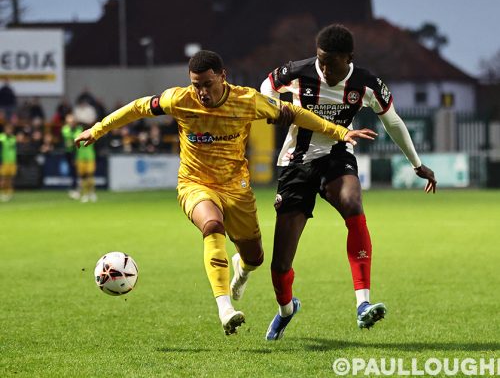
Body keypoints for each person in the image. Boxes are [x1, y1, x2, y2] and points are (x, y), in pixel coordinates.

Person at [75, 50, 377, 335]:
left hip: (237, 189)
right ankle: (224, 308)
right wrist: (98, 129)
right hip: (195, 183)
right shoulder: (179, 99)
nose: (202, 92)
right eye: (196, 85)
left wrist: (340, 132)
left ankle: (241, 270)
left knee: (255, 257)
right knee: (212, 226)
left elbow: (296, 113)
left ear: (223, 76)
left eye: (207, 84)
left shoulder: (247, 101)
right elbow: (138, 108)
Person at [259, 24, 437, 340]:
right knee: (281, 263)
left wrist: (417, 164)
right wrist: (276, 108)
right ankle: (287, 308)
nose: (324, 69)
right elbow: (267, 86)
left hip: (337, 155)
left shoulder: (366, 84)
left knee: (353, 205)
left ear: (348, 58)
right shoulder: (299, 71)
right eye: (320, 61)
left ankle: (362, 304)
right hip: (295, 164)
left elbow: (393, 122)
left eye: (331, 62)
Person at [61, 114, 80, 199]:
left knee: (76, 170)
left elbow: (76, 138)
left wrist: (72, 141)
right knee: (72, 170)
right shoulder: (65, 129)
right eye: (69, 121)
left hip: (77, 152)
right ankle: (74, 188)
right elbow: (70, 137)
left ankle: (76, 188)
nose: (70, 123)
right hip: (68, 152)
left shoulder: (78, 129)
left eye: (72, 121)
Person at [0, 124, 17, 202]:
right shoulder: (2, 137)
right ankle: (2, 193)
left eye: (10, 130)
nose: (9, 131)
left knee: (10, 179)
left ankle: (9, 193)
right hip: (4, 162)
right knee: (3, 178)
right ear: (5, 130)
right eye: (7, 129)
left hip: (12, 162)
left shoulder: (13, 138)